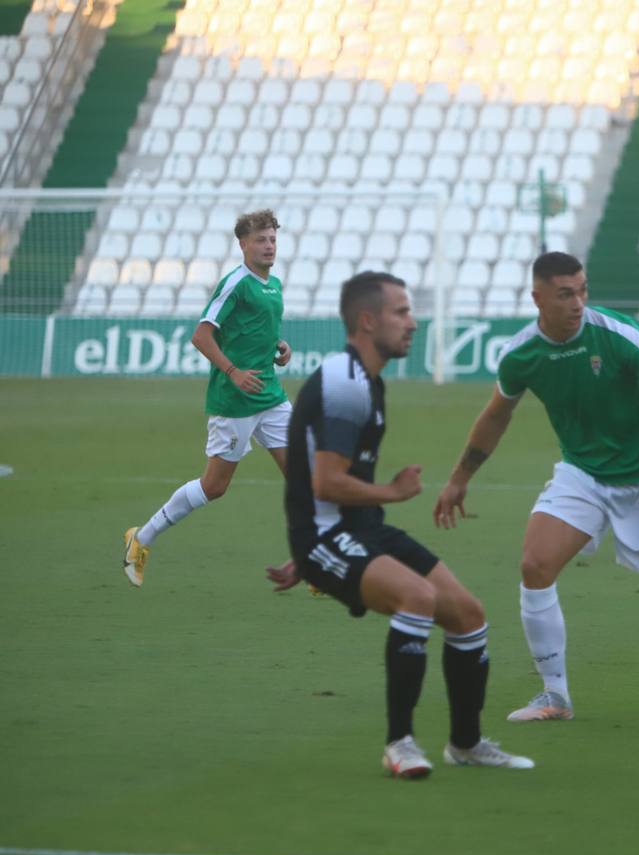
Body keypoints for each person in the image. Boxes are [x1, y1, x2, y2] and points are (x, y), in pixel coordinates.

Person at [433, 251, 639, 723]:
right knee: (535, 565)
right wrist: (458, 480)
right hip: (583, 476)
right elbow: (496, 415)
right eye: (565, 294)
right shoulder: (521, 354)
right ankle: (555, 695)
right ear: (538, 298)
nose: (578, 302)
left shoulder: (615, 334)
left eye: (583, 291)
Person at [265, 271, 533, 778]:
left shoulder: (367, 380)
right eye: (402, 312)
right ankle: (400, 744)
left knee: (468, 616)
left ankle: (467, 743)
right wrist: (390, 493)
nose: (413, 323)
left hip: (354, 530)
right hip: (326, 534)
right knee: (418, 598)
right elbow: (326, 483)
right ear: (368, 321)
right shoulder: (346, 383)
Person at [122, 209, 292, 586]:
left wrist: (279, 346)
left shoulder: (273, 284)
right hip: (234, 402)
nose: (268, 246)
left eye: (273, 240)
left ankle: (312, 563)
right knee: (214, 487)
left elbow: (256, 331)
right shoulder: (236, 283)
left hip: (271, 397)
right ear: (243, 244)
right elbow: (201, 335)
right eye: (261, 240)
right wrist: (232, 372)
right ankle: (141, 538)